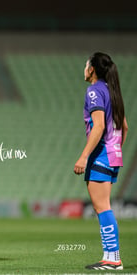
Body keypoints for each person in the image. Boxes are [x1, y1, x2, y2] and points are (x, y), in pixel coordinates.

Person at [74, 52, 128, 270]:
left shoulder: (94, 91)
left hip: (101, 155)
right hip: (113, 154)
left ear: (92, 69)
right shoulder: (113, 91)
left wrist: (84, 156)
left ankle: (112, 258)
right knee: (103, 207)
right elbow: (124, 127)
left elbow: (99, 126)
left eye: (86, 63)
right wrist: (115, 150)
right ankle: (111, 256)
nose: (84, 67)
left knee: (102, 208)